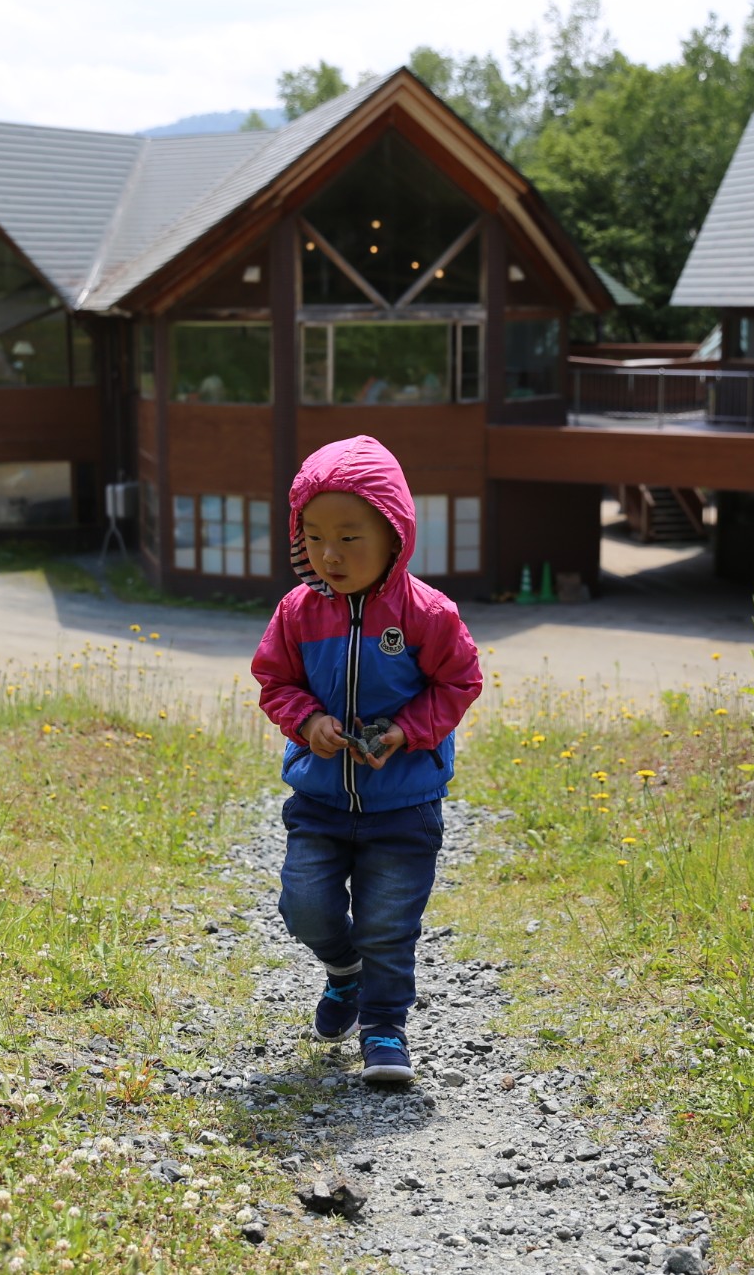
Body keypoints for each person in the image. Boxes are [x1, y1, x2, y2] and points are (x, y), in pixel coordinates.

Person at [250, 435, 482, 1083]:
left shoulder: (427, 615)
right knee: (304, 906)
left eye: (350, 537)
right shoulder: (298, 613)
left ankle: (384, 1026)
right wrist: (309, 720)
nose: (330, 554)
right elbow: (275, 681)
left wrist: (408, 732)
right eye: (315, 536)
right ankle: (342, 973)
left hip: (403, 804)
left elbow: (459, 683)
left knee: (387, 921)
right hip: (321, 800)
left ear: (394, 534)